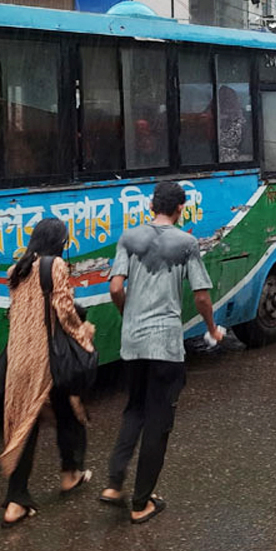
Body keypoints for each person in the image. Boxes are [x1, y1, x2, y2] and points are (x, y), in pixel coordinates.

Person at [99, 181, 224, 524]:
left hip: (133, 343)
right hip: (166, 346)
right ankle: (141, 503)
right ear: (181, 208)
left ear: (152, 206)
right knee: (158, 422)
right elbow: (200, 296)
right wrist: (213, 329)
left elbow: (114, 287)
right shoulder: (185, 243)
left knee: (134, 409)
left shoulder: (129, 237)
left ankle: (113, 483)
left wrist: (128, 316)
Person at [0, 217, 95, 528]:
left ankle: (17, 499)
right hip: (47, 358)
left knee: (25, 423)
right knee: (71, 407)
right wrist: (83, 334)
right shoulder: (54, 266)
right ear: (59, 242)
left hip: (19, 358)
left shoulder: (16, 270)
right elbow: (64, 309)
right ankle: (70, 472)